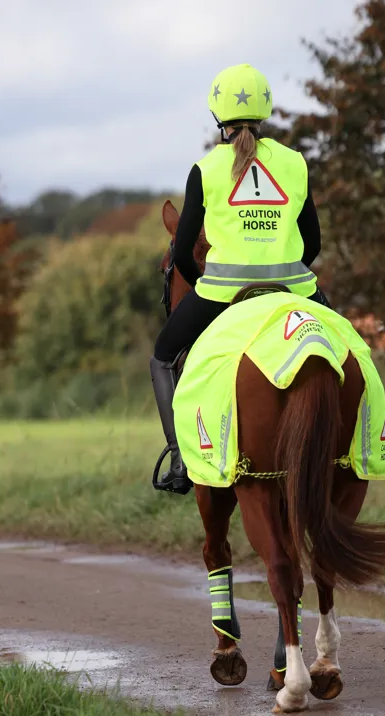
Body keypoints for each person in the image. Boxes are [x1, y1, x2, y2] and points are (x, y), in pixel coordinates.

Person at [151, 63, 331, 495]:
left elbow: (182, 251)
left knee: (161, 357)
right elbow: (314, 243)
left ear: (217, 114)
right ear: (265, 110)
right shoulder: (293, 164)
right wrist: (286, 268)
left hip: (222, 293)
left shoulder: (207, 168)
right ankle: (366, 443)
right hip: (295, 288)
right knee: (350, 351)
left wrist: (199, 282)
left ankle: (179, 458)